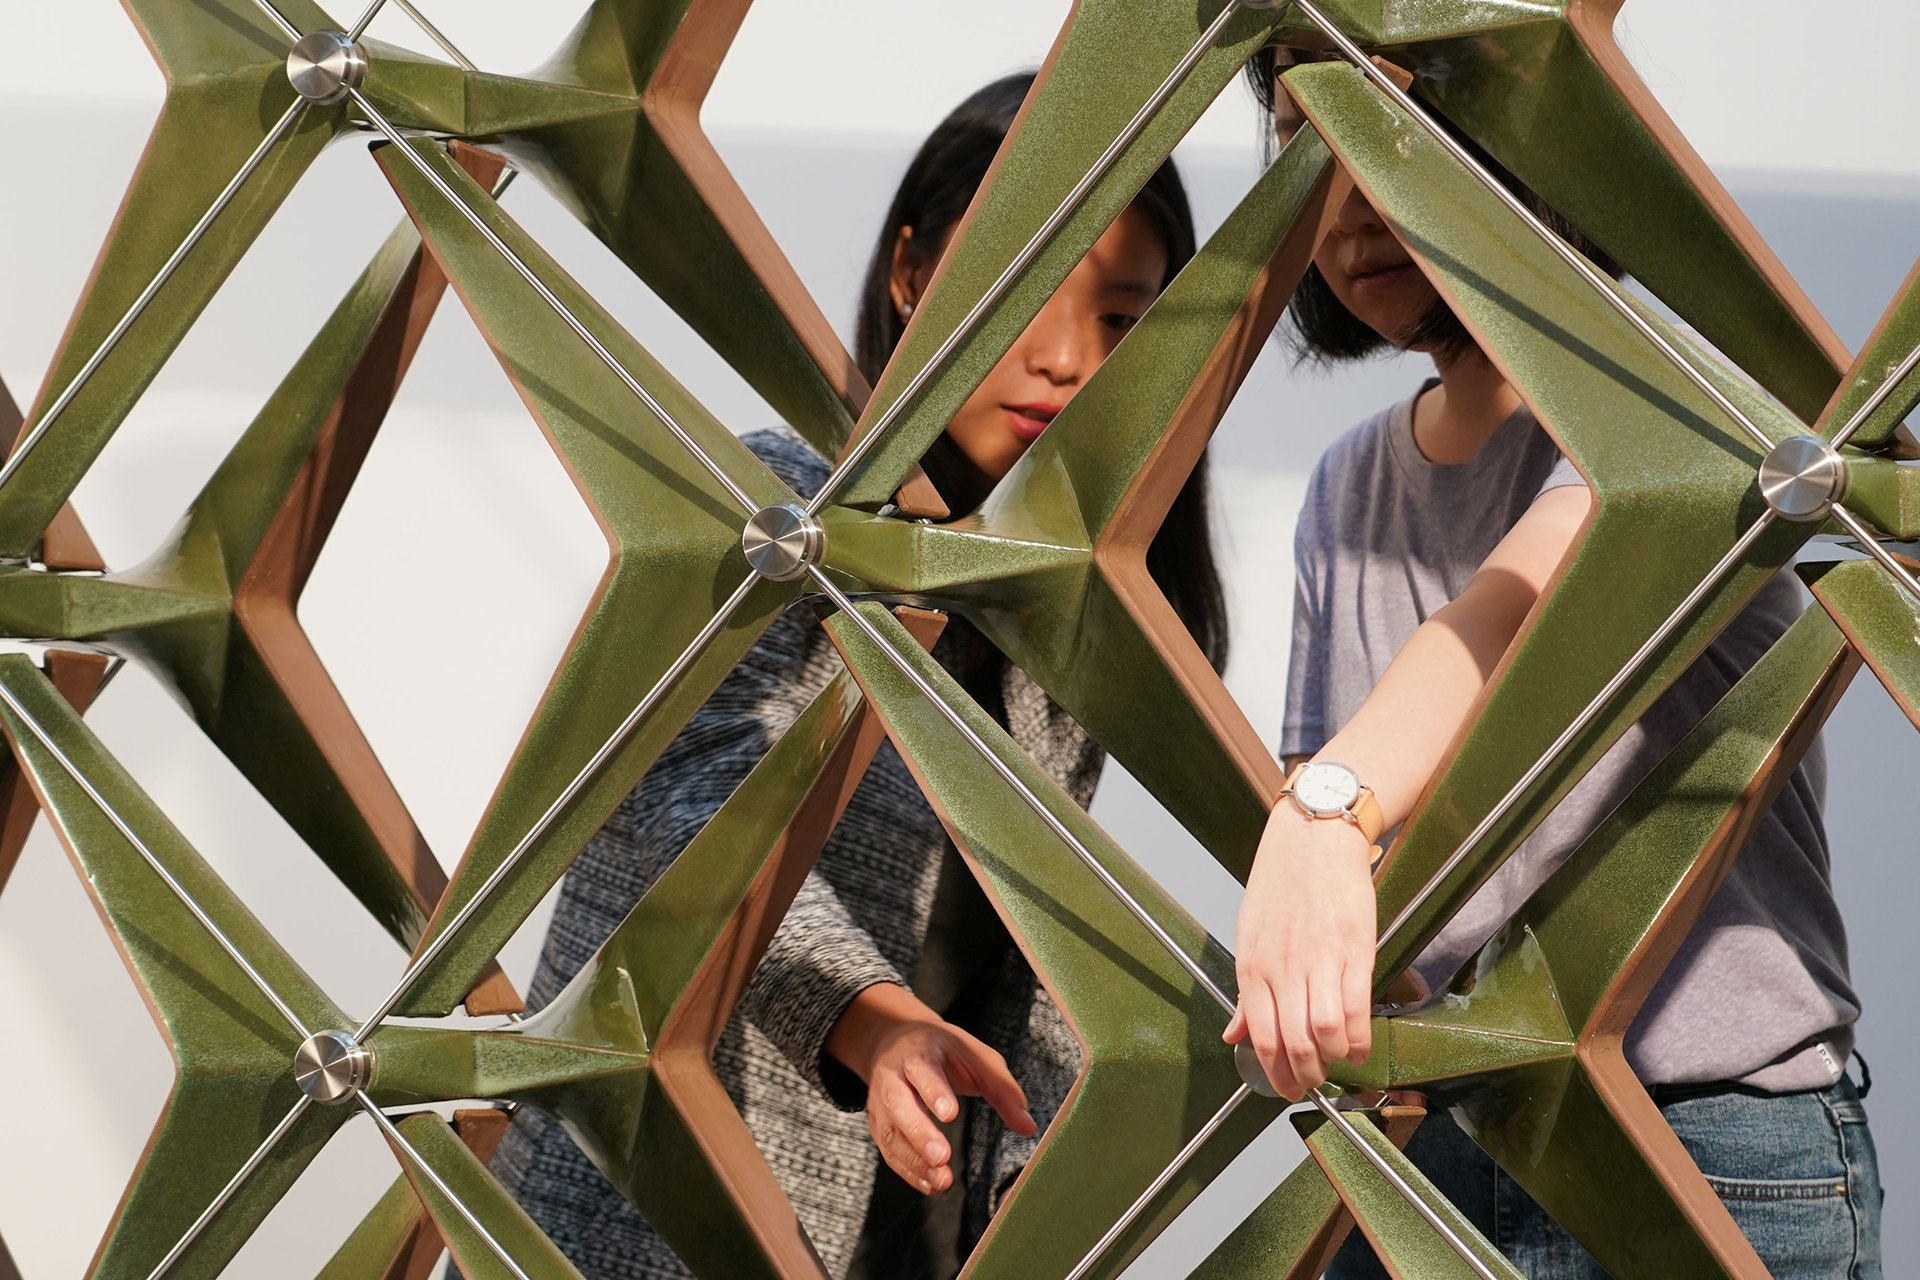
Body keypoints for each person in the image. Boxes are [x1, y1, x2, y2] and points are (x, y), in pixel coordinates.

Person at [479, 73, 1225, 1280]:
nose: (1066, 358)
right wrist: (873, 1026)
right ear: (911, 274)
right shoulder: (779, 508)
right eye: (1026, 292)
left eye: (1122, 320)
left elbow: (1027, 927)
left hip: (917, 1221)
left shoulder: (1074, 594)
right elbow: (676, 803)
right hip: (658, 1218)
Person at [1227, 48, 1881, 1280]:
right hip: (1446, 1128)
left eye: (1391, 126)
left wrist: (1322, 812)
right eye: (1313, 144)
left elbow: (1511, 613)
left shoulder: (1675, 411)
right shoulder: (1347, 482)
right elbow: (1344, 822)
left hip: (1707, 1129)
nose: (1355, 197)